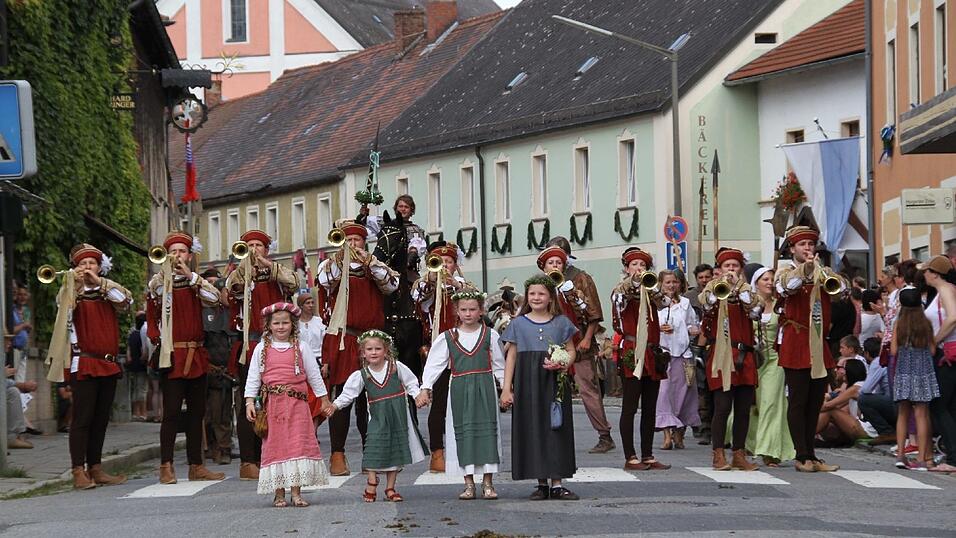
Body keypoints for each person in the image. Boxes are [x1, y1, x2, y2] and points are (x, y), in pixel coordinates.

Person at [45, 243, 134, 489]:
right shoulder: (69, 292)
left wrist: (99, 282)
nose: (87, 267)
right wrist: (74, 285)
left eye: (91, 263)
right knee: (82, 418)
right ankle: (77, 470)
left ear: (100, 267)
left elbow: (126, 302)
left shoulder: (108, 290)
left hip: (107, 362)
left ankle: (96, 467)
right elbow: (64, 309)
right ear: (74, 267)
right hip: (82, 362)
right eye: (82, 264)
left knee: (100, 418)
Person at [317, 219, 399, 476]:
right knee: (342, 395)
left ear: (364, 243)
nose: (352, 245)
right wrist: (342, 258)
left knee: (371, 398)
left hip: (371, 339)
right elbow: (324, 280)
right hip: (344, 338)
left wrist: (369, 261)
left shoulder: (374, 266)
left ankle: (371, 451)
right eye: (348, 240)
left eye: (356, 241)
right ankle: (337, 455)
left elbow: (391, 285)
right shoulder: (332, 266)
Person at [147, 231, 225, 484]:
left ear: (190, 256)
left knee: (197, 413)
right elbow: (154, 299)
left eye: (182, 251)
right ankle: (166, 466)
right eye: (173, 251)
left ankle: (196, 465)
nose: (177, 255)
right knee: (170, 413)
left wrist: (191, 277)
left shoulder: (195, 282)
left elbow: (214, 298)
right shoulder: (159, 282)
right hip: (173, 354)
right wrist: (167, 275)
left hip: (196, 353)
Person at [224, 229, 299, 480]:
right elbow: (230, 290)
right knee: (249, 399)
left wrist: (268, 265)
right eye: (249, 245)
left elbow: (293, 283)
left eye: (258, 245)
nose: (254, 249)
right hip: (251, 344)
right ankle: (248, 460)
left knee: (276, 400)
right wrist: (246, 267)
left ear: (267, 250)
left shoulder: (277, 272)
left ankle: (275, 454)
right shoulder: (240, 274)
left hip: (276, 345)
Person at [500, 275, 579, 500]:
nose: (536, 297)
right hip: (527, 383)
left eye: (541, 293)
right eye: (532, 294)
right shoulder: (518, 323)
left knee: (556, 428)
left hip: (554, 383)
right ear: (527, 297)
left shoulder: (561, 322)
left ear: (550, 297)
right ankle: (541, 482)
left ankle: (557, 482)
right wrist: (507, 388)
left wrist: (563, 362)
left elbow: (572, 350)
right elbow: (512, 356)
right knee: (533, 428)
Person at [419, 291, 505, 500]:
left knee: (487, 434)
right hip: (459, 388)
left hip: (484, 387)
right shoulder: (448, 337)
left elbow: (499, 365)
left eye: (472, 309)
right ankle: (468, 483)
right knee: (462, 434)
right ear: (457, 311)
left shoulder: (490, 335)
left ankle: (487, 482)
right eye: (464, 310)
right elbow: (434, 364)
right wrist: (426, 387)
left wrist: (506, 388)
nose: (468, 313)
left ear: (481, 311)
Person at [244, 302, 332, 507]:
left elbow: (314, 375)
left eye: (285, 323)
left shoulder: (301, 347)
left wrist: (324, 398)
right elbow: (253, 377)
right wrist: (249, 401)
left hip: (297, 406)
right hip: (273, 407)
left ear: (293, 324)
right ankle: (279, 494)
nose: (281, 327)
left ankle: (296, 493)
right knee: (277, 447)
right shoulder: (261, 349)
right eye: (276, 323)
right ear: (269, 326)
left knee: (297, 446)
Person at [326, 330, 427, 503]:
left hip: (397, 416)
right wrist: (335, 405)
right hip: (378, 417)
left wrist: (418, 395)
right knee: (373, 448)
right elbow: (348, 394)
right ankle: (372, 481)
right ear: (363, 353)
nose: (374, 352)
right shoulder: (362, 375)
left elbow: (411, 382)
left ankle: (390, 487)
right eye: (370, 349)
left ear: (386, 351)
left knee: (394, 451)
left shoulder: (395, 367)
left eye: (378, 349)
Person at [774, 226, 844, 473]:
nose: (808, 249)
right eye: (802, 245)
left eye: (810, 245)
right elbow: (787, 288)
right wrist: (807, 269)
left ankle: (812, 454)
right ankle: (801, 454)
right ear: (792, 249)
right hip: (796, 340)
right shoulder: (784, 272)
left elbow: (841, 290)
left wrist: (823, 273)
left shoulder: (824, 271)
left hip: (818, 341)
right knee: (798, 400)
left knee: (815, 400)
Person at [541, 239, 615, 454]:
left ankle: (604, 435)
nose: (555, 263)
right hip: (552, 342)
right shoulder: (543, 281)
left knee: (587, 389)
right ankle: (553, 433)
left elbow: (593, 312)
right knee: (552, 389)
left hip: (579, 340)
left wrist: (587, 338)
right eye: (551, 257)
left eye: (559, 257)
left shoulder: (580, 278)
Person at [412, 241, 477, 472]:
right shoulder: (426, 284)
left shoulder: (463, 285)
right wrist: (432, 278)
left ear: (454, 264)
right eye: (441, 262)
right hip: (439, 351)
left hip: (464, 351)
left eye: (448, 262)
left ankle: (464, 450)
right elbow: (417, 297)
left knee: (465, 405)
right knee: (438, 404)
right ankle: (437, 453)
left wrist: (453, 285)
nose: (445, 266)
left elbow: (474, 302)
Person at [699, 247, 760, 471]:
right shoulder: (711, 289)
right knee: (722, 406)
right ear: (719, 270)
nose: (731, 270)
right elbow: (706, 305)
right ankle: (718, 454)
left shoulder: (747, 291)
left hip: (745, 354)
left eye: (735, 266)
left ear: (740, 269)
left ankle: (739, 453)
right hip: (721, 354)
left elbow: (756, 311)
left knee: (743, 408)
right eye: (727, 266)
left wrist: (739, 287)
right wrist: (720, 286)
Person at [611, 247, 670, 472]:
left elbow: (665, 302)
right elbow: (618, 307)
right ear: (627, 269)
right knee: (629, 407)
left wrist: (651, 287)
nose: (639, 269)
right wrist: (633, 284)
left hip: (652, 352)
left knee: (650, 407)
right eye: (634, 265)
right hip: (632, 350)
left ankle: (648, 454)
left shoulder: (650, 290)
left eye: (643, 266)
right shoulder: (620, 290)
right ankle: (630, 456)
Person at [745, 264, 795, 467]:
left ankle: (769, 450)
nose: (768, 282)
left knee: (771, 403)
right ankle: (752, 442)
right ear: (756, 283)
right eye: (764, 279)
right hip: (753, 358)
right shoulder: (748, 304)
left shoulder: (779, 305)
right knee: (753, 406)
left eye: (771, 279)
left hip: (775, 359)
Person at [655, 269, 700, 450]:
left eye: (675, 282)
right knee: (664, 394)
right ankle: (667, 433)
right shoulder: (657, 304)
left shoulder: (685, 303)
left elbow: (692, 322)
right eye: (668, 282)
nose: (671, 285)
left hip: (683, 355)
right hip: (664, 354)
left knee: (685, 394)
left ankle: (679, 432)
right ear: (661, 284)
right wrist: (660, 328)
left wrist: (692, 329)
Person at [919, 257, 956, 473]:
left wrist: (936, 339)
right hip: (949, 353)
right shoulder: (946, 289)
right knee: (950, 406)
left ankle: (953, 457)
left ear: (935, 273)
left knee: (939, 404)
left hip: (947, 354)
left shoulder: (945, 290)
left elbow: (952, 318)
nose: (924, 275)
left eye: (926, 271)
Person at [202, 267, 237, 465]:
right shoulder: (205, 312)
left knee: (224, 412)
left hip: (228, 370)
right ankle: (213, 447)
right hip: (210, 370)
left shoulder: (232, 313)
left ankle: (224, 447)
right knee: (211, 413)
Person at [686, 263, 714, 444]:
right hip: (697, 346)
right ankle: (703, 427)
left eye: (707, 277)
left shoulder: (719, 291)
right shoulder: (690, 297)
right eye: (701, 277)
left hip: (716, 344)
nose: (704, 280)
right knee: (701, 388)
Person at [816, 360, 872, 445]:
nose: (840, 372)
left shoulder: (856, 388)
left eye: (843, 369)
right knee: (830, 415)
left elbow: (828, 406)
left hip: (866, 429)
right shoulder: (855, 387)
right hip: (860, 426)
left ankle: (805, 437)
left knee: (831, 411)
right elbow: (839, 406)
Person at [858, 336, 896, 444]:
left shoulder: (878, 361)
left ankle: (886, 432)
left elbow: (865, 390)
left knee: (863, 400)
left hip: (894, 403)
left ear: (866, 353)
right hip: (896, 401)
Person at [297, 292, 327, 426]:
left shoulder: (320, 322)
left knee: (317, 398)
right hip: (302, 362)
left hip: (318, 361)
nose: (311, 305)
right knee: (307, 397)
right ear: (301, 306)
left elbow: (326, 343)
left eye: (312, 302)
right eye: (307, 303)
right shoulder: (296, 324)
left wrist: (325, 363)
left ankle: (314, 428)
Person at [126, 312, 148, 421]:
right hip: (141, 364)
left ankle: (135, 412)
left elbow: (128, 349)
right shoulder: (143, 334)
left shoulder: (132, 334)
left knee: (135, 389)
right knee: (142, 389)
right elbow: (144, 351)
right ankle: (143, 412)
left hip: (132, 365)